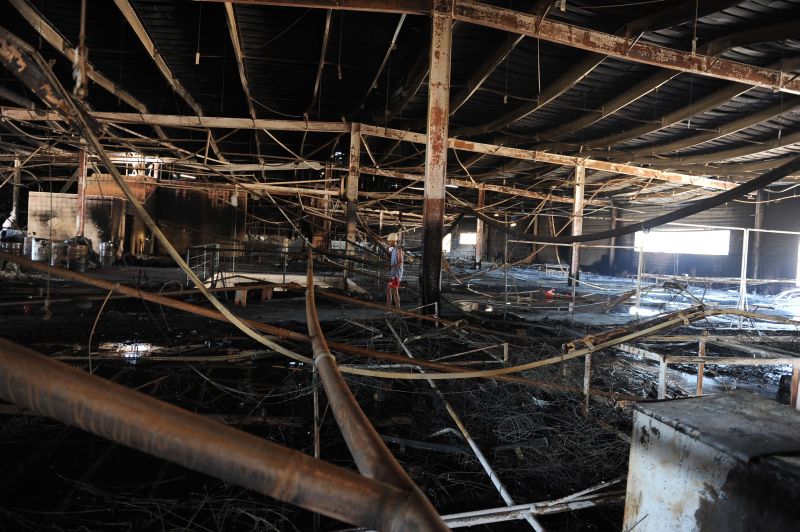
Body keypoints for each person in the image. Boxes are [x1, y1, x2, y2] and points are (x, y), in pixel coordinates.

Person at [385, 233, 403, 308]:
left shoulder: (398, 249)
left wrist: (390, 267)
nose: (388, 243)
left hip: (396, 275)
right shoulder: (394, 250)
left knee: (393, 292)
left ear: (393, 241)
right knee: (390, 291)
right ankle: (391, 310)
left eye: (389, 242)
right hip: (393, 274)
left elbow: (400, 262)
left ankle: (394, 310)